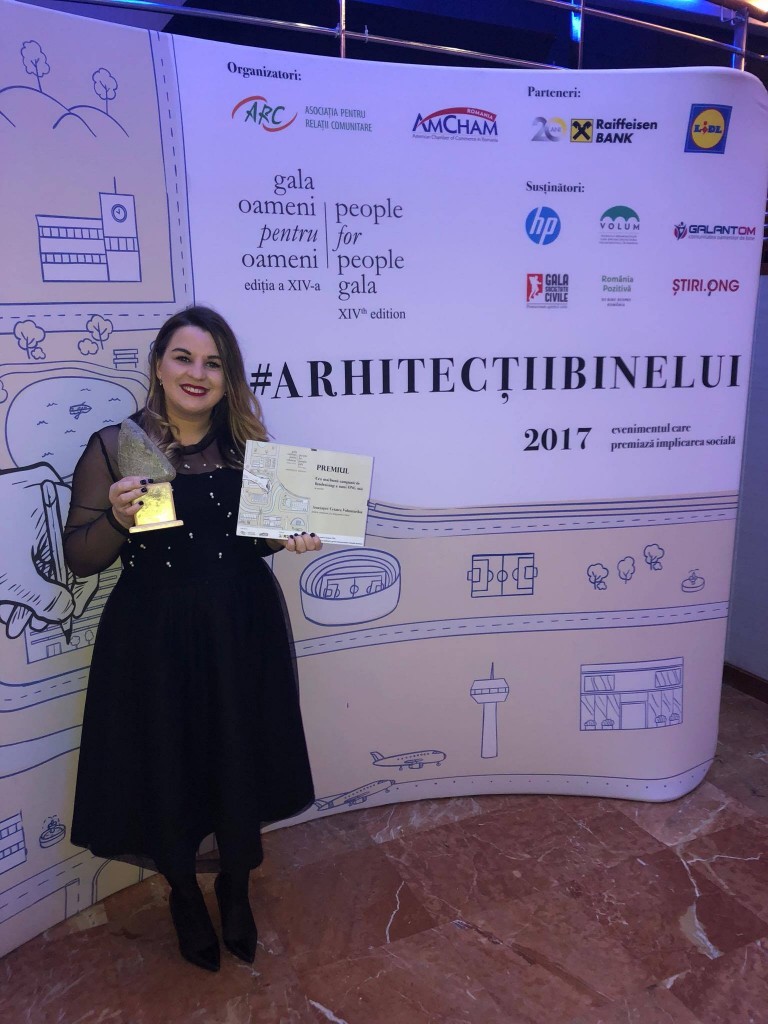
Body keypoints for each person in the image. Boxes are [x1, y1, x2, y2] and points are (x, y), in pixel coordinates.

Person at [63, 306, 320, 973]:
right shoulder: (116, 446)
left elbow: (251, 539)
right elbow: (81, 559)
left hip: (240, 627)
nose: (197, 373)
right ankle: (183, 892)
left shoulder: (246, 446)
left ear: (227, 377)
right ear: (158, 364)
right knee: (167, 762)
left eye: (213, 362)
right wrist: (118, 519)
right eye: (183, 357)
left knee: (237, 753)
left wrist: (289, 538)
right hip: (153, 636)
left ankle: (234, 887)